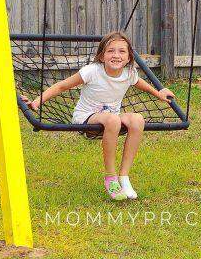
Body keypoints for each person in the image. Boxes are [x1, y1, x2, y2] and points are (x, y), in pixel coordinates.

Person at [27, 31, 174, 200]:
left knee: (137, 119)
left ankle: (124, 177)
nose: (116, 55)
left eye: (121, 51)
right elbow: (61, 86)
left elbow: (141, 84)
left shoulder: (129, 73)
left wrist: (159, 93)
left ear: (128, 58)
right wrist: (38, 100)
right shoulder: (92, 71)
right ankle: (110, 177)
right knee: (112, 119)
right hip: (86, 119)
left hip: (111, 120)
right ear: (102, 56)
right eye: (111, 51)